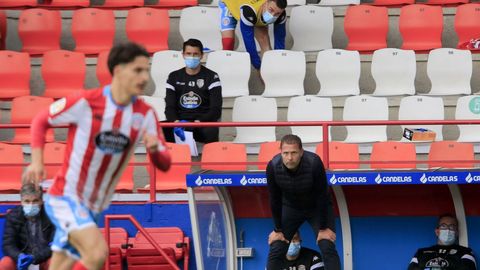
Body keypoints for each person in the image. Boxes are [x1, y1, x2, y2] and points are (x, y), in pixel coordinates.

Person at [23, 42, 172, 270]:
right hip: (66, 197)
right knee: (97, 253)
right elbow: (40, 120)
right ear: (118, 70)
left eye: (146, 70)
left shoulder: (146, 114)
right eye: (138, 70)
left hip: (93, 206)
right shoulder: (86, 102)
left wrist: (154, 150)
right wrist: (36, 160)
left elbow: (165, 164)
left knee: (60, 266)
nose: (145, 77)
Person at [266, 134, 341, 270]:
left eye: (294, 152)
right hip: (291, 208)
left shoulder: (314, 163)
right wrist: (278, 229)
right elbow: (274, 198)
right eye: (286, 153)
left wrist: (323, 228)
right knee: (277, 246)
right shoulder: (272, 166)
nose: (290, 158)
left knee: (326, 245)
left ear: (301, 152)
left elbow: (322, 196)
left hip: (316, 208)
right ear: (280, 152)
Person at [164, 38, 222, 144]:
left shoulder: (212, 77)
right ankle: (170, 159)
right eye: (188, 53)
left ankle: (209, 158)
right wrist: (177, 122)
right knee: (159, 128)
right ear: (183, 55)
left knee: (211, 131)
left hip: (201, 123)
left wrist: (197, 122)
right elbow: (169, 107)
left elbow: (216, 109)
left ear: (202, 55)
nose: (192, 57)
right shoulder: (174, 76)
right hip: (180, 122)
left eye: (195, 54)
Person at [219, 0, 287, 69]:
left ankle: (267, 72)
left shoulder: (281, 14)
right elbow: (249, 43)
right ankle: (224, 70)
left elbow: (280, 40)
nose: (272, 15)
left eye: (277, 14)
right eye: (270, 10)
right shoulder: (248, 11)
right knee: (228, 43)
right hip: (229, 4)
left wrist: (279, 60)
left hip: (255, 13)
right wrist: (257, 66)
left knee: (266, 47)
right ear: (266, 3)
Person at [1, 184, 54, 270]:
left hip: (44, 258)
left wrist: (35, 257)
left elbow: (55, 245)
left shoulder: (51, 215)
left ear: (41, 201)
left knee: (54, 262)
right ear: (21, 202)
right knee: (6, 263)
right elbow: (8, 244)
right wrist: (19, 256)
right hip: (22, 258)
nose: (31, 204)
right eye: (27, 201)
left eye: (35, 201)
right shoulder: (13, 216)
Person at [408, 214, 477, 270]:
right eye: (443, 226)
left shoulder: (465, 252)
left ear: (457, 232)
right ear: (437, 231)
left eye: (452, 227)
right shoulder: (421, 252)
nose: (447, 229)